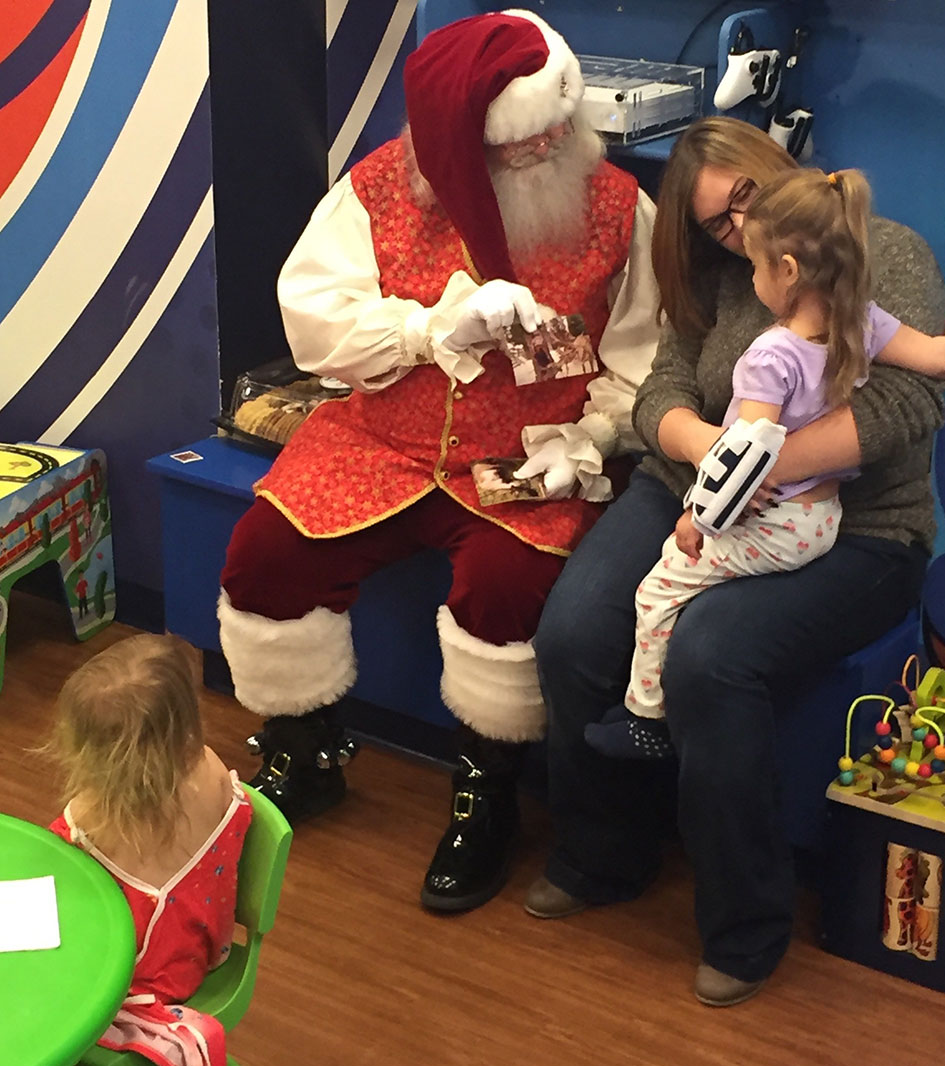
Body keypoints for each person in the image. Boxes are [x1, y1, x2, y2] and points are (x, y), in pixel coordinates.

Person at [216, 8, 660, 914]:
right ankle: (307, 753)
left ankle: (485, 793)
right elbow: (315, 326)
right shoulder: (375, 192)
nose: (545, 155)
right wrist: (424, 332)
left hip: (530, 454)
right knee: (264, 554)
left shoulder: (622, 211)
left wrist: (600, 433)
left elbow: (647, 354)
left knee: (505, 586)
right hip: (383, 441)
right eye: (520, 146)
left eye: (554, 134)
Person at [528, 116, 945, 1007]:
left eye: (746, 197)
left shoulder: (881, 250)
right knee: (572, 629)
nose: (739, 227)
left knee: (711, 656)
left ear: (775, 167)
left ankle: (745, 924)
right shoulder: (727, 282)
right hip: (696, 491)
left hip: (857, 523)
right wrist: (704, 444)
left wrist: (756, 469)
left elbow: (912, 400)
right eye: (718, 223)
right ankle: (606, 854)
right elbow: (661, 393)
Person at [585, 167, 945, 759]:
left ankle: (646, 720)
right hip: (822, 517)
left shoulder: (770, 356)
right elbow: (938, 360)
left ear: (785, 272)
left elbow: (743, 455)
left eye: (756, 266)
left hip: (775, 524)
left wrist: (697, 520)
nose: (750, 275)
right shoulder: (861, 319)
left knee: (657, 590)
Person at [47, 635, 252, 1066]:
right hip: (198, 951)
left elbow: (63, 897)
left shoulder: (91, 821)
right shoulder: (213, 770)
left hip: (139, 984)